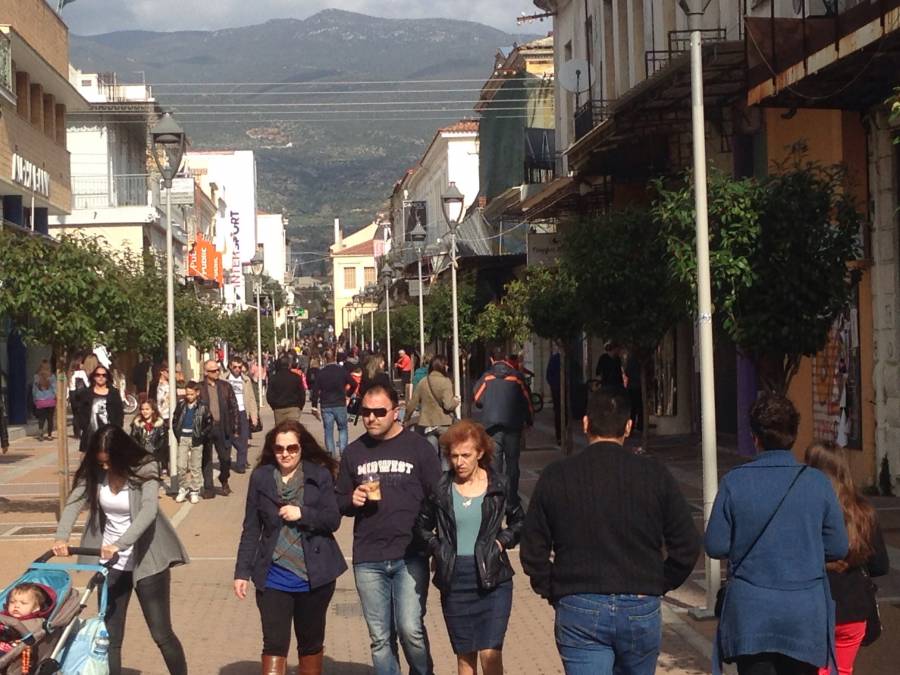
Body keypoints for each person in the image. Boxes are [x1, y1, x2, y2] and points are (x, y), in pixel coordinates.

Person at [521, 387, 700, 675]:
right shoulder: (654, 474)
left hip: (578, 599)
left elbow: (532, 548)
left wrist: (552, 588)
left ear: (585, 423)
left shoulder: (557, 475)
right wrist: (658, 582)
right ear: (628, 426)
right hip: (639, 600)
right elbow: (687, 544)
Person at [705, 394, 849, 675]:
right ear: (794, 435)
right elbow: (838, 546)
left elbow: (715, 544)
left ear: (754, 437)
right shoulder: (817, 482)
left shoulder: (735, 481)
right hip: (803, 613)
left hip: (751, 613)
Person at [53, 425, 189, 675]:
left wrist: (120, 544)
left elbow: (148, 511)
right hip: (111, 564)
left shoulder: (145, 468)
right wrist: (62, 537)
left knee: (161, 633)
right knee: (110, 637)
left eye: (109, 462)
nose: (105, 467)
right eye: (101, 462)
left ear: (123, 456)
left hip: (146, 560)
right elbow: (74, 502)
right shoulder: (96, 471)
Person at [335, 385, 442, 675]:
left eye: (379, 412)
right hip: (368, 555)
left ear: (396, 411)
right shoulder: (354, 452)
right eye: (366, 412)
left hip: (410, 553)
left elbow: (439, 496)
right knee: (381, 638)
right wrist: (351, 499)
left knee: (410, 629)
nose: (371, 418)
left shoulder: (418, 447)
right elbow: (338, 501)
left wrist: (436, 544)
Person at [234, 420, 347, 675]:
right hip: (273, 575)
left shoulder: (318, 475)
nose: (286, 454)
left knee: (310, 644)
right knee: (274, 644)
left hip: (314, 576)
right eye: (280, 448)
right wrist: (242, 572)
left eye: (292, 448)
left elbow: (333, 520)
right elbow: (251, 528)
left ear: (301, 448)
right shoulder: (261, 478)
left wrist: (303, 513)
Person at [414, 420, 523, 675]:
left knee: (490, 654)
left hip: (493, 577)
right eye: (454, 456)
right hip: (455, 578)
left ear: (480, 453)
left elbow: (519, 520)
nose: (459, 462)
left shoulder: (499, 484)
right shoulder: (441, 488)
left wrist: (501, 541)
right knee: (465, 657)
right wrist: (438, 547)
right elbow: (420, 527)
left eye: (466, 455)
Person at [804, 441, 889, 675]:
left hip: (814, 605)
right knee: (841, 671)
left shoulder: (806, 509)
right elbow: (880, 565)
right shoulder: (863, 511)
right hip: (853, 607)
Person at [472, 348, 533, 508]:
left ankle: (497, 498)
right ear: (505, 358)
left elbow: (477, 398)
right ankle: (512, 499)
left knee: (495, 464)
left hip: (492, 427)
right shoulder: (516, 377)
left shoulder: (487, 377)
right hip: (513, 425)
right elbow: (527, 400)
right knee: (512, 463)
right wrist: (529, 420)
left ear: (492, 359)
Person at [199, 359, 240, 497]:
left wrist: (236, 427)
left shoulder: (225, 386)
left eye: (218, 370)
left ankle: (224, 479)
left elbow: (234, 407)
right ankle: (208, 488)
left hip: (223, 426)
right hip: (206, 428)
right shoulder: (200, 388)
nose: (216, 372)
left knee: (225, 458)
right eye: (213, 371)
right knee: (206, 459)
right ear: (206, 372)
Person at [405, 356, 458, 456]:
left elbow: (412, 403)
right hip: (444, 424)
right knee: (445, 455)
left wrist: (406, 419)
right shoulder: (446, 382)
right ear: (442, 366)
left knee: (431, 454)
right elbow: (448, 405)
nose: (447, 367)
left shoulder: (423, 382)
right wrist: (455, 402)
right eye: (446, 365)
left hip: (428, 424)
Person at [172, 381, 212, 504]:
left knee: (195, 466)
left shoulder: (203, 407)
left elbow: (209, 423)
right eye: (187, 394)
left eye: (191, 394)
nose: (189, 396)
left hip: (196, 439)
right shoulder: (181, 405)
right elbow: (175, 420)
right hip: (183, 438)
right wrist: (178, 434)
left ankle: (194, 490)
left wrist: (201, 435)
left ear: (197, 393)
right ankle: (183, 488)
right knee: (181, 465)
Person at [310, 351, 355, 459]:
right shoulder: (342, 371)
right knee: (342, 428)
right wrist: (348, 395)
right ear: (334, 358)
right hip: (340, 403)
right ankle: (343, 452)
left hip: (326, 404)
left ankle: (331, 456)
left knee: (328, 431)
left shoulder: (321, 373)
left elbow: (315, 390)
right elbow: (354, 383)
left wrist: (314, 406)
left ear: (325, 359)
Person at [74, 365, 125, 453]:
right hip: (90, 436)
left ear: (107, 377)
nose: (101, 377)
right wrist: (84, 426)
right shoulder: (86, 393)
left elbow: (119, 412)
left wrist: (117, 428)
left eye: (104, 375)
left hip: (109, 436)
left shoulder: (114, 393)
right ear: (94, 377)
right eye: (98, 375)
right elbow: (80, 412)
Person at [227, 357, 259, 474]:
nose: (237, 369)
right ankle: (238, 455)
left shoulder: (246, 380)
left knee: (244, 438)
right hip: (229, 413)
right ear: (230, 366)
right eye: (235, 367)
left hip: (242, 412)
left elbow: (251, 398)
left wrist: (254, 415)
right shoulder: (224, 378)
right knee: (230, 437)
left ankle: (241, 465)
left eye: (239, 367)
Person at [267, 355, 306, 425]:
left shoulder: (274, 378)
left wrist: (274, 406)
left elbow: (269, 395)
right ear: (289, 365)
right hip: (293, 408)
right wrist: (300, 406)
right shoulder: (296, 377)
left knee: (281, 430)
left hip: (279, 409)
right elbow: (302, 394)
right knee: (293, 429)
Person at [130, 400, 167, 472]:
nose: (144, 411)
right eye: (142, 409)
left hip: (155, 455)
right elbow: (133, 438)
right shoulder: (137, 424)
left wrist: (155, 449)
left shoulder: (160, 424)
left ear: (153, 410)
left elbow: (163, 440)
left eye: (147, 409)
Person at [32, 361, 56, 442]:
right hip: (50, 400)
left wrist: (35, 399)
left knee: (41, 418)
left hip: (40, 400)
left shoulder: (36, 377)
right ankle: (49, 435)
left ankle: (41, 433)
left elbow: (34, 390)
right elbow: (54, 388)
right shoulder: (52, 377)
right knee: (50, 419)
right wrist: (56, 397)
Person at [68, 358, 89, 439]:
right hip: (81, 394)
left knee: (75, 414)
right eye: (81, 363)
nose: (82, 365)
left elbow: (69, 386)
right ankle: (82, 430)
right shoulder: (82, 373)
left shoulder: (69, 373)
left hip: (72, 394)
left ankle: (76, 433)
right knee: (82, 413)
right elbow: (87, 384)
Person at [545, 348, 562, 446]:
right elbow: (548, 375)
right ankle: (560, 436)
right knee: (559, 412)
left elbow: (548, 375)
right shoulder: (555, 359)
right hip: (558, 389)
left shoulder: (555, 358)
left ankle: (560, 436)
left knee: (559, 413)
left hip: (560, 389)